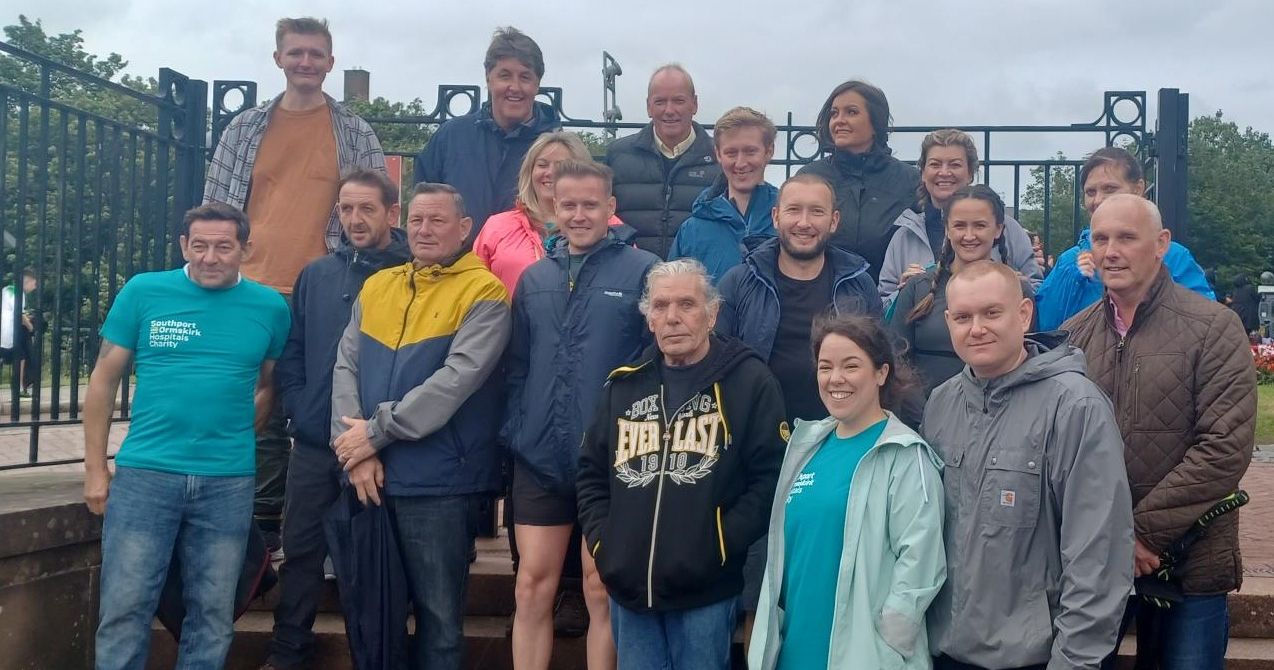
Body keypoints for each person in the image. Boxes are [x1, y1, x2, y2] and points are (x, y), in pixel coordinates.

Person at [204, 16, 387, 553]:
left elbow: (376, 210)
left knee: (322, 408)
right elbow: (216, 203)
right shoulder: (244, 128)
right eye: (296, 52)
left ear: (331, 62)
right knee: (253, 407)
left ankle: (320, 533)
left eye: (316, 54)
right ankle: (259, 535)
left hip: (324, 290)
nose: (306, 62)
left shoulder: (354, 132)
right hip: (252, 287)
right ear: (278, 59)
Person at [82, 202, 291, 670]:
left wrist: (237, 431)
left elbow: (268, 385)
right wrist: (95, 468)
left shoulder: (270, 307)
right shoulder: (144, 291)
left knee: (214, 613)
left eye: (222, 247)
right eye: (199, 246)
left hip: (228, 482)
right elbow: (103, 377)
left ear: (244, 249)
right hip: (145, 477)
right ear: (183, 246)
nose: (210, 257)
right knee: (124, 607)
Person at [1063, 194, 1255, 670]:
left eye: (1126, 237)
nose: (1111, 251)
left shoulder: (1214, 327)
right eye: (1100, 238)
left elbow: (1224, 448)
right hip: (1095, 565)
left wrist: (1143, 536)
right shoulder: (1072, 336)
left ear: (1161, 244)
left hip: (1190, 563)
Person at [329, 182, 510, 670]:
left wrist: (374, 432)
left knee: (439, 621)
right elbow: (345, 365)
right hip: (369, 473)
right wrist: (356, 449)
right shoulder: (377, 286)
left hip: (438, 484)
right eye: (415, 220)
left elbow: (455, 382)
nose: (423, 230)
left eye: (437, 220)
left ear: (465, 228)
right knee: (373, 615)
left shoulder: (484, 291)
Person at [576, 259, 787, 670]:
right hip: (630, 591)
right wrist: (606, 544)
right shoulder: (623, 384)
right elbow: (590, 473)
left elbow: (771, 477)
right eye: (660, 306)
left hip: (705, 591)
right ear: (648, 318)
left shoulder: (749, 382)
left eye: (687, 304)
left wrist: (719, 544)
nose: (672, 317)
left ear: (712, 313)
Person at [922, 260, 1133, 670]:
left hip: (1038, 656)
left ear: (1023, 314)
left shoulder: (1075, 406)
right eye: (963, 317)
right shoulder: (940, 404)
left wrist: (1074, 660)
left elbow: (1098, 554)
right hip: (946, 650)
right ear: (948, 322)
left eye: (991, 313)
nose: (976, 328)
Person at [505, 159, 659, 670]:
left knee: (600, 586)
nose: (578, 214)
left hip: (610, 459)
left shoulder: (642, 271)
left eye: (590, 204)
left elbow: (654, 365)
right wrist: (518, 429)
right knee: (531, 585)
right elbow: (518, 365)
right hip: (540, 456)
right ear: (553, 206)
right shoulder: (534, 278)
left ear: (610, 208)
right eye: (567, 204)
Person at [261, 169, 411, 670]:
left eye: (366, 208)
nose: (354, 219)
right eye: (346, 209)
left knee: (372, 561)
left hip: (379, 445)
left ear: (392, 213)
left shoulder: (413, 270)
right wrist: (303, 407)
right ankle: (287, 653)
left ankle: (375, 657)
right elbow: (294, 350)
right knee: (301, 550)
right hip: (313, 445)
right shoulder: (317, 274)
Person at [748, 314, 945, 670]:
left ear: (881, 373)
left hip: (865, 656)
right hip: (795, 651)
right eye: (825, 367)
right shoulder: (806, 447)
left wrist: (888, 645)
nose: (835, 379)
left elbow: (922, 563)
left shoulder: (904, 454)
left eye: (851, 366)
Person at [1034, 146, 1213, 330]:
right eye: (1090, 192)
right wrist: (1073, 277)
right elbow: (1046, 329)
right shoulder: (1069, 261)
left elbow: (1205, 325)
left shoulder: (1172, 256)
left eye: (1110, 189)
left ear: (1138, 189)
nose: (1098, 200)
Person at [413, 27, 561, 240]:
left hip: (528, 268)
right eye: (505, 75)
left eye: (525, 77)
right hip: (456, 266)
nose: (515, 87)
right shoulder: (451, 137)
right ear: (488, 78)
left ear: (537, 84)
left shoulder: (557, 147)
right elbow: (422, 205)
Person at [888, 185, 1036, 396]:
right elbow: (897, 360)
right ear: (947, 229)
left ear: (998, 229)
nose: (969, 235)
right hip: (922, 419)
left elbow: (1029, 361)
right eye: (959, 226)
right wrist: (926, 417)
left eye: (979, 225)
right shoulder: (917, 289)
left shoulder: (1017, 290)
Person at [878, 129, 1041, 305]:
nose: (944, 172)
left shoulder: (1006, 227)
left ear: (971, 173)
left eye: (955, 165)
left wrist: (1016, 286)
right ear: (923, 173)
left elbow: (1037, 291)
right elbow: (882, 304)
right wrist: (903, 293)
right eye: (935, 164)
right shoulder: (904, 236)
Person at [797, 80, 918, 283]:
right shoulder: (810, 177)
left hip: (887, 301)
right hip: (820, 300)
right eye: (834, 113)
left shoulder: (909, 180)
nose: (839, 120)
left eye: (851, 112)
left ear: (875, 122)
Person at [474, 131, 624, 295]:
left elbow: (629, 278)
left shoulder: (610, 225)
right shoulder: (497, 227)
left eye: (561, 165)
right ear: (529, 171)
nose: (550, 172)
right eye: (542, 165)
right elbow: (473, 286)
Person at [606, 64, 720, 257]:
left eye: (678, 101)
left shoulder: (719, 159)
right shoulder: (618, 155)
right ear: (648, 106)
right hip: (631, 276)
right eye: (660, 102)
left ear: (695, 104)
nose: (669, 110)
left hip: (696, 278)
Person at [668, 106, 778, 283]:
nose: (741, 163)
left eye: (750, 151)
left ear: (769, 151)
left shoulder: (790, 221)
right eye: (731, 153)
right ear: (718, 154)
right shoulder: (692, 230)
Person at [1, 268, 39, 395]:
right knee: (21, 357)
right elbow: (20, 316)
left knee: (18, 356)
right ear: (27, 281)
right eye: (34, 284)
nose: (34, 287)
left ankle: (20, 387)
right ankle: (19, 388)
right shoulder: (19, 293)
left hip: (4, 330)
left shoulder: (7, 289)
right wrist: (31, 327)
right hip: (9, 333)